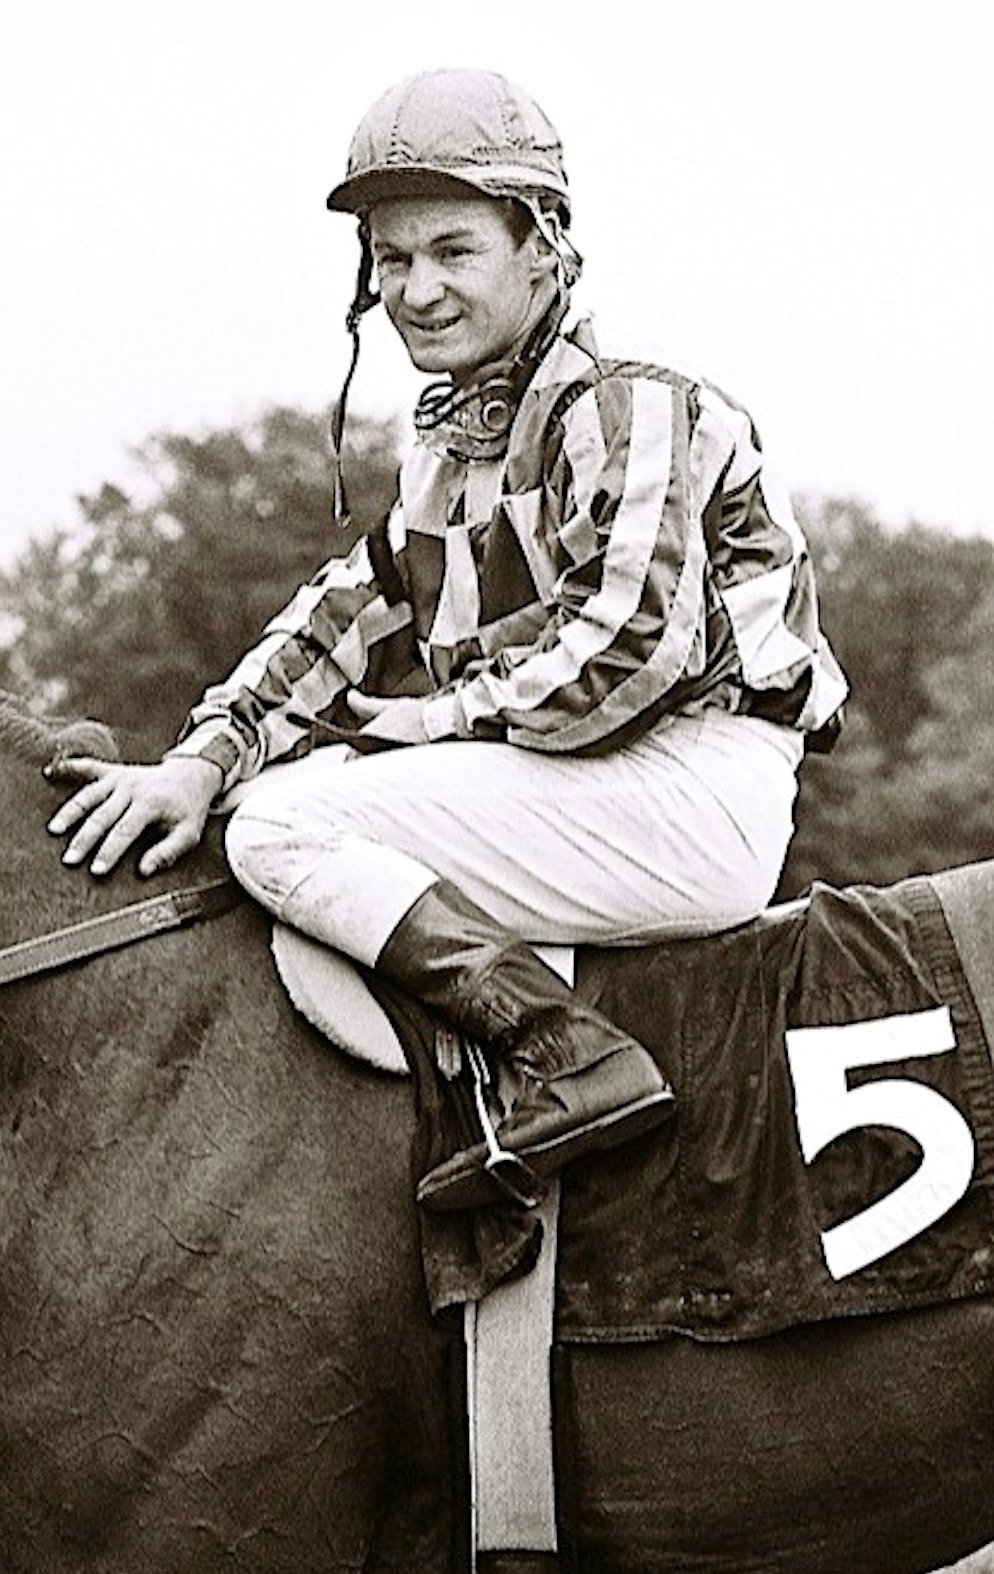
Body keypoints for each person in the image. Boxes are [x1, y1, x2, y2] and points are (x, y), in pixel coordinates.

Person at [46, 66, 846, 1210]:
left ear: (543, 245)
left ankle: (564, 1054)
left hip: (693, 786)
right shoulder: (446, 452)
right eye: (390, 259)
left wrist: (424, 723)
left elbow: (633, 645)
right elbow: (341, 614)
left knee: (280, 828)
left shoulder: (633, 406)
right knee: (262, 795)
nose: (413, 290)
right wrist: (197, 758)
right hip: (584, 782)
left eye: (450, 250)